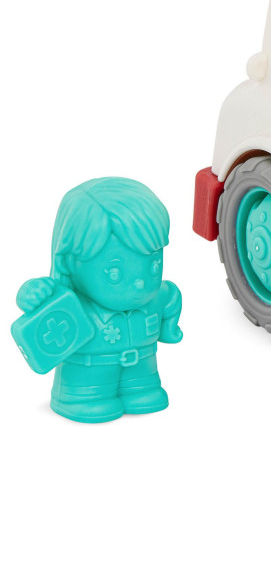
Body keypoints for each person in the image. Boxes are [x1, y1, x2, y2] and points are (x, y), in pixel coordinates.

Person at [15, 177, 182, 423]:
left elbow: (172, 300)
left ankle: (138, 391)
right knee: (91, 401)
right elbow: (40, 306)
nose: (140, 282)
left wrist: (170, 328)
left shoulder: (158, 297)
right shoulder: (69, 304)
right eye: (115, 273)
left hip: (142, 369)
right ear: (69, 261)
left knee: (145, 394)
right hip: (87, 374)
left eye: (154, 264)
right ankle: (79, 400)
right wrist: (32, 293)